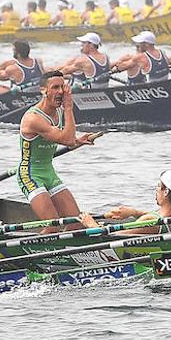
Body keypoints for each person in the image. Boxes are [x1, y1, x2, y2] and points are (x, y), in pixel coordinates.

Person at [17, 71, 105, 232]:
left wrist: (79, 141)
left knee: (76, 224)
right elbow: (67, 140)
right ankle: (34, 252)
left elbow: (66, 139)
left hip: (49, 173)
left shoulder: (58, 111)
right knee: (53, 226)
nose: (60, 92)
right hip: (30, 175)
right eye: (55, 87)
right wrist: (69, 108)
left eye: (62, 87)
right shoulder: (33, 118)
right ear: (43, 90)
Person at [92, 170, 171, 235]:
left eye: (158, 186)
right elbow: (162, 217)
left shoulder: (149, 220)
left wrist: (92, 225)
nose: (156, 190)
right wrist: (134, 212)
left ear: (166, 192)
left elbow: (113, 237)